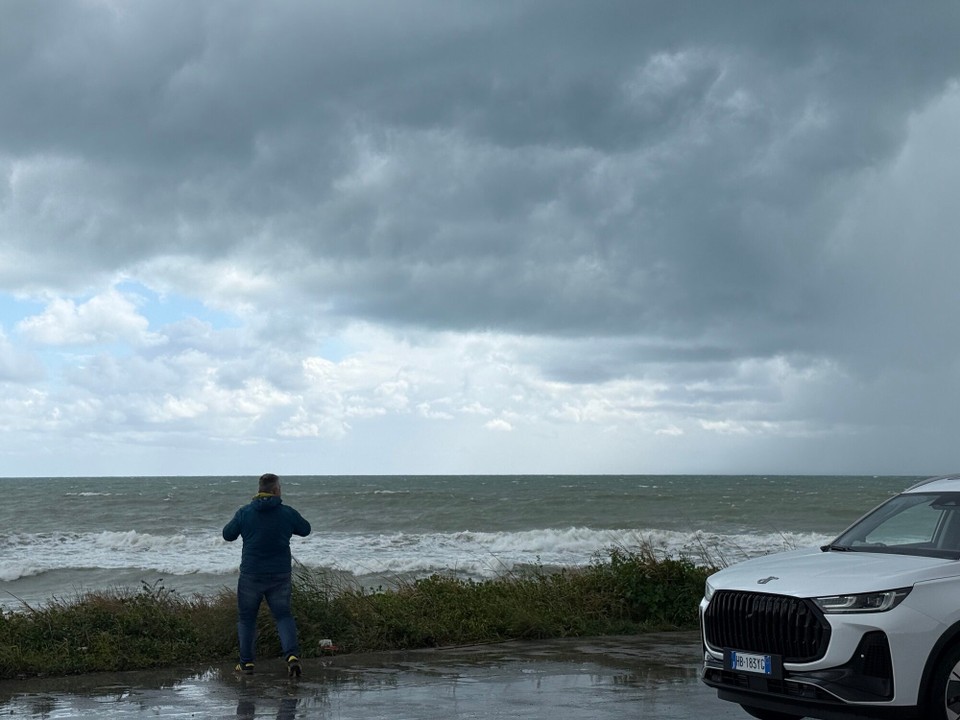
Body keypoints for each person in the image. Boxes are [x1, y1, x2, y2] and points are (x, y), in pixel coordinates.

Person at [222, 473, 311, 677]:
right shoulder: (286, 513)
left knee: (246, 619)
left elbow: (228, 535)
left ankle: (247, 664)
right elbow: (305, 529)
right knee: (283, 615)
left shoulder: (245, 513)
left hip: (251, 574)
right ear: (276, 490)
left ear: (259, 489)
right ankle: (291, 656)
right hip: (280, 574)